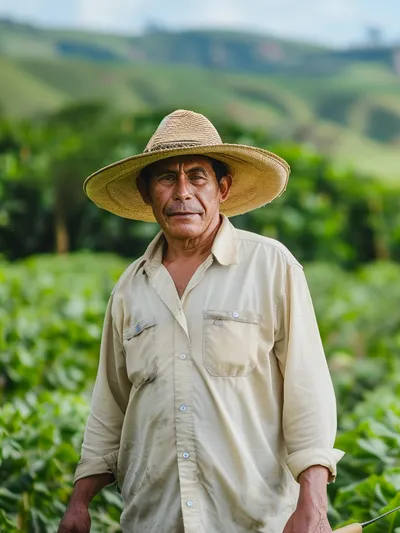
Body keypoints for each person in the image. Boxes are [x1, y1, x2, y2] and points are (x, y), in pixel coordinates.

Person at [57, 109, 344, 533]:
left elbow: (309, 394)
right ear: (146, 192)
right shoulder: (130, 288)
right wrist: (79, 501)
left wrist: (313, 503)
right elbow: (110, 406)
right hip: (154, 519)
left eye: (197, 177)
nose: (182, 193)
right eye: (166, 179)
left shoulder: (270, 266)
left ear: (222, 189)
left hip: (253, 520)